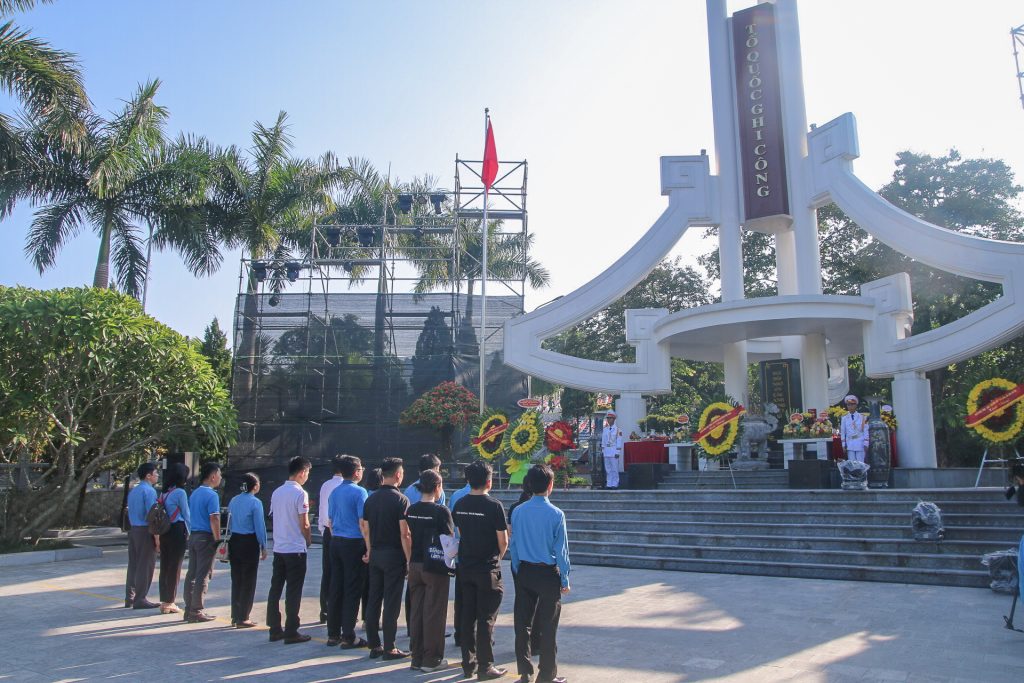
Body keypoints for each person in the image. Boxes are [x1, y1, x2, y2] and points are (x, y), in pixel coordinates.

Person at [510, 465, 571, 683]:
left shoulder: (518, 511)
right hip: (547, 573)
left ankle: (524, 672)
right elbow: (561, 551)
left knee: (522, 625)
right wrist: (565, 579)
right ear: (550, 486)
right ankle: (546, 675)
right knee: (548, 626)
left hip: (525, 571)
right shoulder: (556, 514)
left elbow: (514, 545)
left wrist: (518, 569)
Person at [452, 460, 508, 681]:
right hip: (487, 568)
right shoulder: (494, 505)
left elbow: (460, 531)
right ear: (489, 481)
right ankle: (486, 666)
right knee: (486, 618)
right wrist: (497, 558)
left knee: (467, 616)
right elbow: (503, 540)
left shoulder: (460, 504)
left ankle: (468, 664)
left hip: (465, 566)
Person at [361, 456, 412, 660]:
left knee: (374, 598)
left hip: (376, 554)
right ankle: (390, 646)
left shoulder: (370, 498)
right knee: (391, 601)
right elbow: (404, 533)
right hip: (394, 555)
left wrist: (369, 550)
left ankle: (374, 644)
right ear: (398, 475)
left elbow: (366, 528)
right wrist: (408, 559)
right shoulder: (401, 500)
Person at [405, 469, 454, 672]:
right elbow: (449, 540)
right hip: (434, 566)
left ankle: (416, 656)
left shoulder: (412, 509)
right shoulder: (441, 511)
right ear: (437, 487)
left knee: (416, 610)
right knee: (434, 612)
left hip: (415, 563)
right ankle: (431, 658)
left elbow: (406, 535)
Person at [325, 454, 370, 649]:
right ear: (356, 472)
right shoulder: (360, 492)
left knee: (336, 586)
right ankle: (349, 635)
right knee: (352, 589)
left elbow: (331, 521)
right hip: (353, 543)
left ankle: (333, 633)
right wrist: (369, 547)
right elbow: (363, 523)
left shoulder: (334, 492)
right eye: (361, 468)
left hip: (336, 542)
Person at [267, 456, 313, 644]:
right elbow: (305, 523)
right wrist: (307, 540)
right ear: (302, 472)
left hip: (279, 547)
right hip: (295, 548)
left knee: (276, 588)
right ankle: (292, 630)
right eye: (307, 473)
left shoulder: (277, 492)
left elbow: (273, 516)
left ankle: (274, 628)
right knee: (294, 590)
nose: (307, 477)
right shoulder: (300, 493)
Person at [183, 461, 222, 623]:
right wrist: (218, 539)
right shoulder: (212, 495)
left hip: (194, 536)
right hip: (206, 537)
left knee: (192, 573)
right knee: (203, 575)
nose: (220, 478)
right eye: (219, 474)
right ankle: (197, 610)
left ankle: (189, 608)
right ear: (213, 476)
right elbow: (214, 518)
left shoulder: (195, 493)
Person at [227, 472, 267, 628]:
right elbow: (259, 526)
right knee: (248, 580)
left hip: (234, 539)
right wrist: (263, 545)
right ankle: (243, 617)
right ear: (255, 486)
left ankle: (235, 615)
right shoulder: (255, 503)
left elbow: (229, 522)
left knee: (236, 579)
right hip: (249, 542)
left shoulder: (233, 500)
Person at [124, 462, 161, 609]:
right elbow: (152, 516)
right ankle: (141, 598)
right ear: (148, 475)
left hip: (133, 530)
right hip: (145, 531)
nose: (157, 475)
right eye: (155, 473)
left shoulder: (134, 490)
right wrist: (157, 539)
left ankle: (130, 597)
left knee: (133, 564)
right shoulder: (150, 491)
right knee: (145, 565)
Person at [158, 463, 191, 614]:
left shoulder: (163, 493)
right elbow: (186, 513)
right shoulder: (180, 493)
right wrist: (190, 531)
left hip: (164, 530)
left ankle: (164, 600)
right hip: (177, 530)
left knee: (165, 565)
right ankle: (170, 601)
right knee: (175, 566)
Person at [319, 456, 347, 623]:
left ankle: (326, 610)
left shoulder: (326, 485)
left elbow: (323, 510)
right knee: (341, 574)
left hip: (328, 533)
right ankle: (338, 610)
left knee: (328, 572)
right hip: (341, 533)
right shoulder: (343, 486)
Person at [448, 467, 472, 647]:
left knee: (461, 597)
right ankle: (474, 635)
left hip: (460, 553)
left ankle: (459, 634)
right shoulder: (490, 502)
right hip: (479, 557)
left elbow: (451, 524)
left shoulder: (456, 496)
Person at [840, 395, 869, 463]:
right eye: (848, 405)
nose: (850, 406)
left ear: (856, 405)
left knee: (860, 463)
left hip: (860, 442)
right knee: (852, 464)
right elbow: (843, 432)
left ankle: (862, 474)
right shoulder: (844, 418)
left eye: (852, 404)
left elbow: (865, 431)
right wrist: (843, 445)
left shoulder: (862, 417)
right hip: (850, 443)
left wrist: (866, 443)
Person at [601, 411, 623, 489]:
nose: (608, 420)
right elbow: (603, 441)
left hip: (614, 451)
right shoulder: (605, 429)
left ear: (614, 419)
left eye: (610, 418)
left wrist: (618, 452)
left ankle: (615, 483)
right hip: (606, 450)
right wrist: (603, 451)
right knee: (608, 469)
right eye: (608, 418)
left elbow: (619, 441)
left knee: (614, 468)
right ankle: (609, 483)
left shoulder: (618, 430)